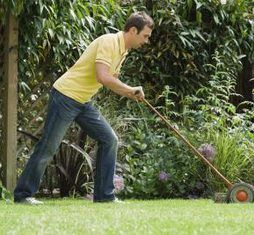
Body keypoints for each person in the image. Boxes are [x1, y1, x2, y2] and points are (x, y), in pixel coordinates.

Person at [14, 11, 154, 205]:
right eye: (145, 35)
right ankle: (23, 195)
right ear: (133, 30)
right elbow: (102, 77)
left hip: (83, 102)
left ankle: (105, 197)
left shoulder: (123, 51)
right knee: (49, 145)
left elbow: (111, 80)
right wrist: (131, 89)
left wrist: (131, 94)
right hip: (65, 96)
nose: (146, 40)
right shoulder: (109, 42)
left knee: (109, 139)